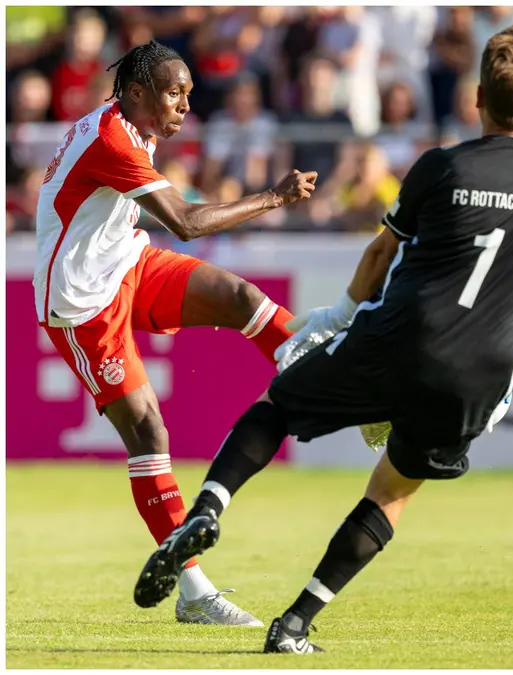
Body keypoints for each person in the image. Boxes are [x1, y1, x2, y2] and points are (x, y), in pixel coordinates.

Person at [132, 26, 513, 654]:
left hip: (398, 336)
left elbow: (383, 250)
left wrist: (341, 313)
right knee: (392, 492)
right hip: (479, 375)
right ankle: (295, 625)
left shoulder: (443, 165)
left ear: (477, 96)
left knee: (278, 406)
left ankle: (208, 507)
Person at [35, 40, 318, 627]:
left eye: (188, 93)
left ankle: (334, 383)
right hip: (82, 301)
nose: (185, 104)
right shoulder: (114, 135)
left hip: (127, 261)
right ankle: (193, 592)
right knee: (149, 430)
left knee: (241, 297)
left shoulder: (135, 121)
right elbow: (185, 223)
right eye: (174, 92)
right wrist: (275, 197)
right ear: (136, 92)